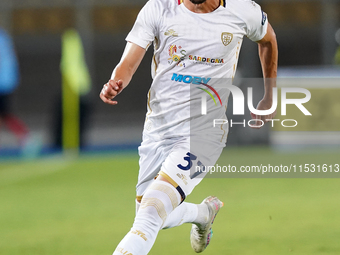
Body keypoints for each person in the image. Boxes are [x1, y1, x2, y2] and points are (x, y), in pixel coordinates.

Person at [100, 0, 278, 254]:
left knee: (153, 210)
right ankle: (203, 213)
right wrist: (115, 81)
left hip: (204, 133)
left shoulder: (242, 10)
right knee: (149, 211)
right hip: (158, 130)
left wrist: (269, 95)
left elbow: (268, 39)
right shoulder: (158, 8)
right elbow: (128, 63)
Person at [0, 28, 29, 147]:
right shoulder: (4, 36)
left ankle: (25, 136)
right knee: (4, 113)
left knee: (5, 113)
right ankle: (25, 136)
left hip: (3, 82)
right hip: (8, 80)